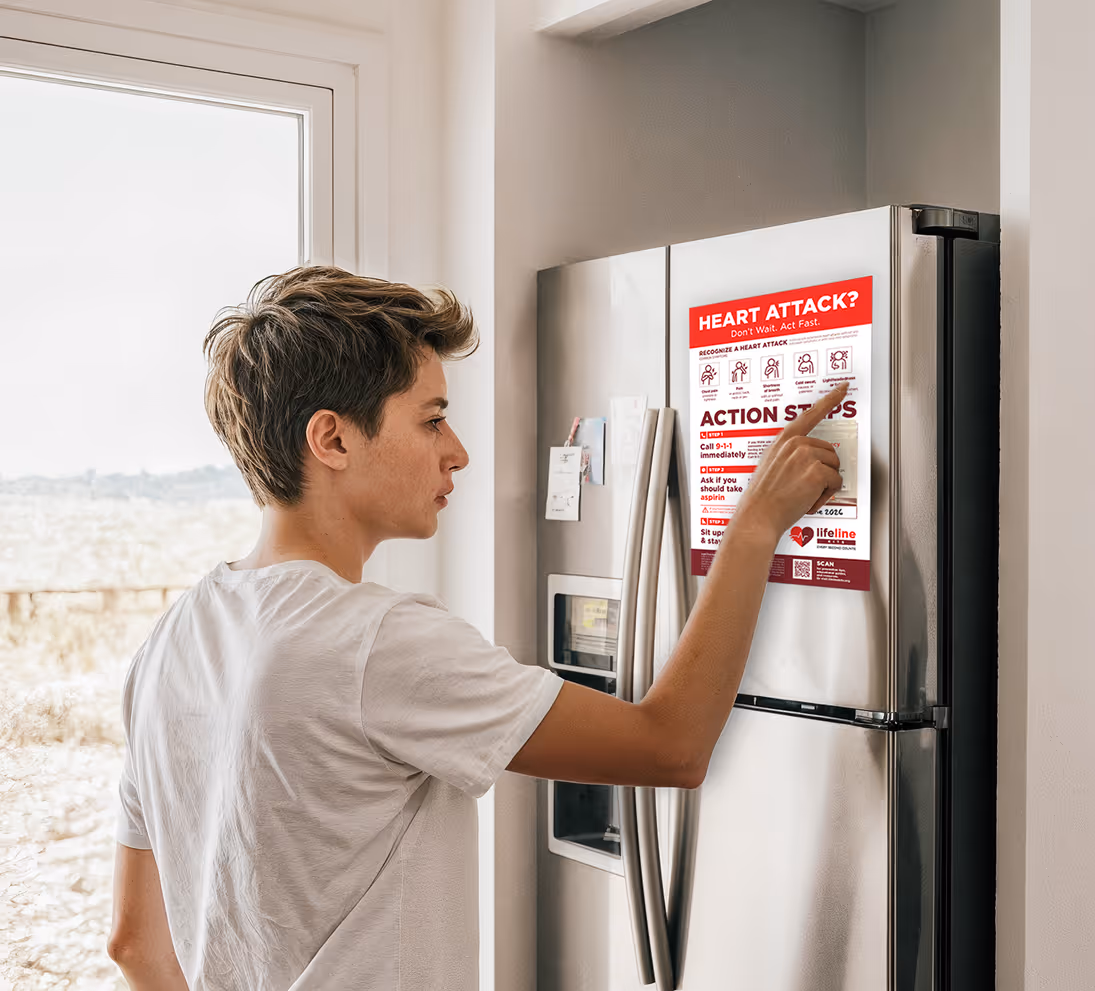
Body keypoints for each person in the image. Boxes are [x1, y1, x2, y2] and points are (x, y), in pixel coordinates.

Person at [105, 267, 848, 990]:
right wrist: (752, 525)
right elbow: (671, 744)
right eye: (431, 418)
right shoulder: (374, 640)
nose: (456, 449)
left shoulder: (169, 643)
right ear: (330, 439)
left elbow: (135, 942)